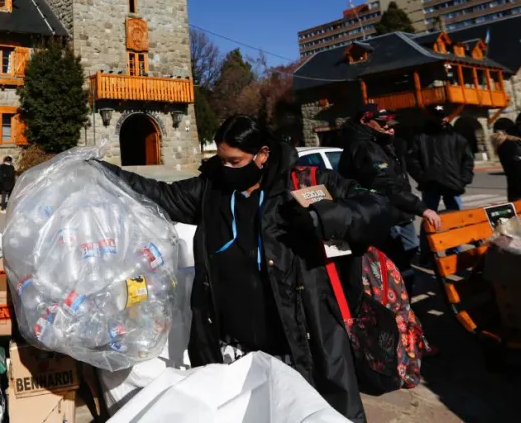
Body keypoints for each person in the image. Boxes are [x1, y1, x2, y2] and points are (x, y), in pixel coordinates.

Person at [97, 115, 391, 423]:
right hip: (232, 349)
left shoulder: (306, 182)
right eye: (221, 160)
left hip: (302, 342)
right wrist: (105, 173)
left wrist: (325, 218)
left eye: (235, 161)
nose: (226, 168)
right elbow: (162, 195)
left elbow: (379, 207)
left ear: (262, 155)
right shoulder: (212, 190)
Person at [338, 104, 441, 297]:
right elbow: (384, 184)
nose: (389, 129)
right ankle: (400, 309)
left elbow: (397, 179)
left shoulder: (379, 142)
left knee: (404, 260)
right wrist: (422, 209)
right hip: (381, 217)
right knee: (394, 270)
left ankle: (401, 304)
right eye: (383, 125)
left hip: (397, 212)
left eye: (391, 125)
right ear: (365, 121)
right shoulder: (363, 146)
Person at [407, 105, 475, 213]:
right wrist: (422, 178)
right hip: (430, 186)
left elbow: (467, 160)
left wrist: (463, 179)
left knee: (457, 218)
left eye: (443, 116)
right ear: (432, 117)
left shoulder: (457, 138)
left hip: (453, 184)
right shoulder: (421, 138)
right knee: (429, 219)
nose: (440, 119)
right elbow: (412, 161)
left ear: (447, 118)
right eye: (437, 116)